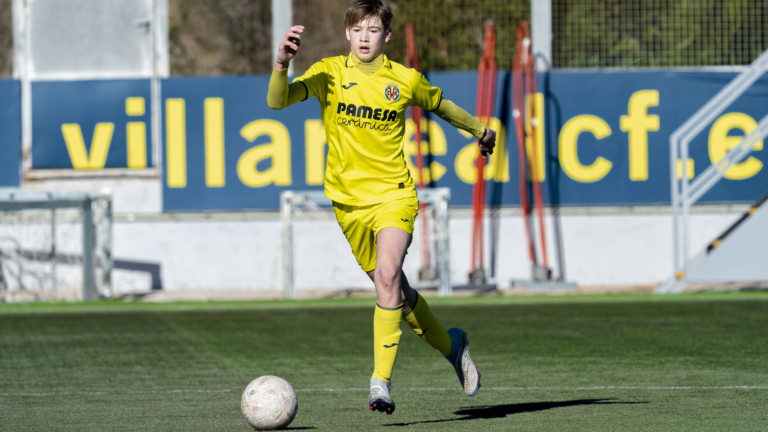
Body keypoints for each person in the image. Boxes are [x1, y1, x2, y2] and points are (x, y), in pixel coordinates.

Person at [267, 0, 496, 415]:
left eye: (373, 30)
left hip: (394, 195)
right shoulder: (328, 73)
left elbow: (441, 104)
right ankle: (452, 345)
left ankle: (380, 383)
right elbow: (277, 102)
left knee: (387, 277)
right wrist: (281, 63)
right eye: (357, 30)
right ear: (347, 34)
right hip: (348, 205)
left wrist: (479, 130)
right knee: (399, 294)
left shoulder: (403, 80)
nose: (365, 38)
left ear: (386, 36)